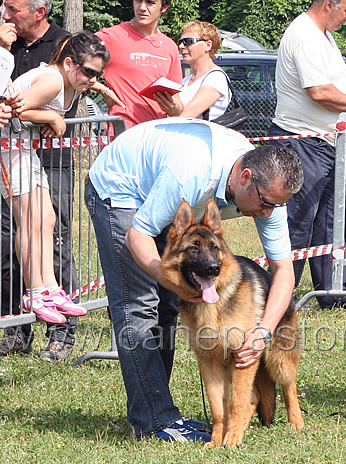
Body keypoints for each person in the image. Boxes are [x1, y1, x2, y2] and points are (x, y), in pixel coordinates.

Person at [84, 117, 304, 442]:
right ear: (245, 178)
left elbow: (283, 272)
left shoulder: (269, 190)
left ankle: (159, 411)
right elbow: (138, 235)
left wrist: (263, 332)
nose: (269, 213)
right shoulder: (191, 172)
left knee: (167, 309)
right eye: (266, 204)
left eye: (277, 205)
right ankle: (155, 422)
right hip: (122, 191)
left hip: (165, 194)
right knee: (139, 307)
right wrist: (173, 283)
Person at [268, 0, 346, 310]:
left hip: (326, 143)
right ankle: (280, 299)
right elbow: (319, 92)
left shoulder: (323, 35)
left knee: (331, 223)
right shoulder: (304, 35)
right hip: (301, 143)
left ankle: (334, 294)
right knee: (298, 223)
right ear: (328, 4)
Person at [1, 32, 107, 326]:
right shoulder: (53, 80)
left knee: (46, 217)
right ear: (69, 62)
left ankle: (50, 287)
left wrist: (48, 118)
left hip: (23, 149)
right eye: (88, 72)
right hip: (8, 149)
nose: (92, 80)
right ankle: (34, 292)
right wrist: (51, 118)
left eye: (97, 75)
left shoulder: (71, 81)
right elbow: (15, 110)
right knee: (29, 219)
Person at [0, 0, 81, 361]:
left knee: (54, 229)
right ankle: (17, 325)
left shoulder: (64, 46)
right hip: (13, 151)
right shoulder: (4, 39)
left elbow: (71, 94)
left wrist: (53, 115)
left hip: (53, 156)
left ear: (40, 11)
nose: (6, 15)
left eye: (13, 9)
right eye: (5, 7)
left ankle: (61, 331)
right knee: (9, 238)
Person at [93, 0, 181, 128]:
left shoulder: (170, 47)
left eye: (150, 2)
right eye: (138, 0)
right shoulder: (112, 36)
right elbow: (72, 60)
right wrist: (103, 90)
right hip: (122, 134)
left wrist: (173, 108)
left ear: (164, 7)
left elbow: (178, 105)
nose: (142, 7)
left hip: (157, 135)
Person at [155, 20, 231, 120]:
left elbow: (187, 115)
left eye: (188, 41)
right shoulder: (186, 80)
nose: (181, 46)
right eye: (181, 42)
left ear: (208, 45)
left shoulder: (216, 78)